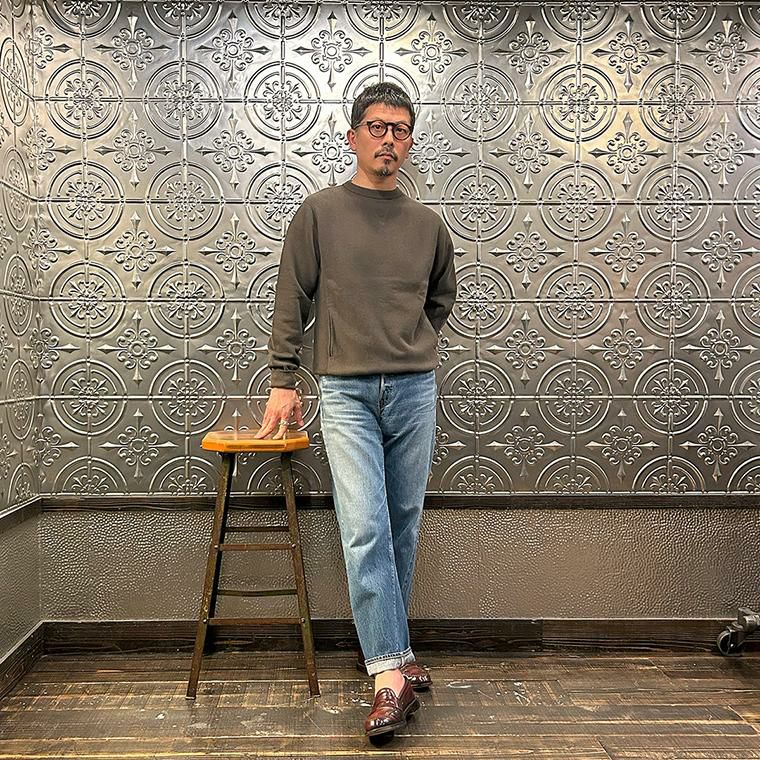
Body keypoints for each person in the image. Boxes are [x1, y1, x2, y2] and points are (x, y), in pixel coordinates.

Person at [255, 82, 457, 739]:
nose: (388, 139)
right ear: (352, 137)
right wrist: (284, 378)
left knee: (400, 525)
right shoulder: (319, 213)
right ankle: (390, 677)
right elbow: (292, 298)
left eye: (400, 129)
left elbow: (440, 301)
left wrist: (406, 344)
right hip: (344, 391)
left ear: (410, 142)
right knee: (365, 526)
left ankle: (394, 649)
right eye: (376, 127)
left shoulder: (428, 226)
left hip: (414, 388)